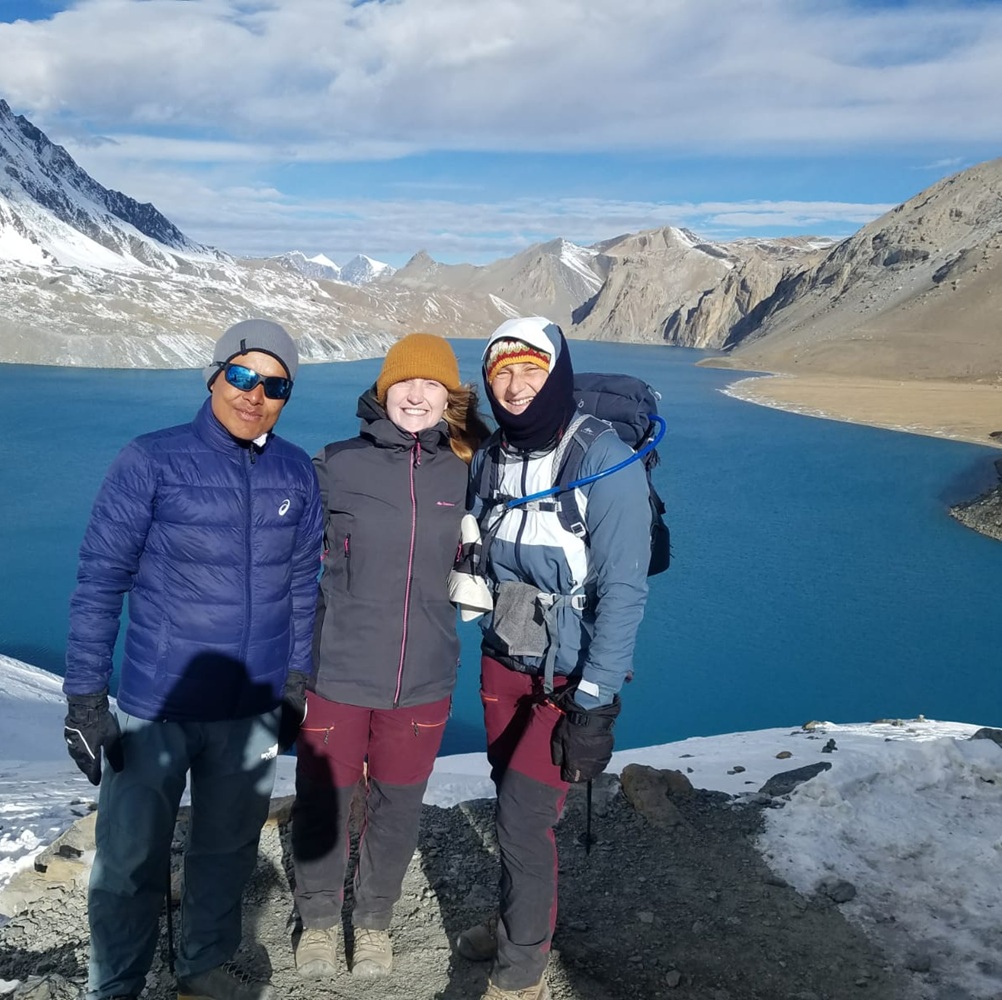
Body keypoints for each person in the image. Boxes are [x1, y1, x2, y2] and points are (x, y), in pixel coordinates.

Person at [62, 319, 323, 1000]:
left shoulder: (296, 470)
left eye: (275, 384)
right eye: (242, 375)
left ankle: (202, 966)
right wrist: (85, 700)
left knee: (228, 848)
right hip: (159, 704)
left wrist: (297, 680)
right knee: (128, 859)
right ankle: (115, 984)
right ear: (214, 374)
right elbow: (99, 581)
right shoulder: (151, 460)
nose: (254, 393)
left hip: (252, 707)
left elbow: (302, 586)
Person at [456, 317, 651, 1000]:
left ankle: (521, 977)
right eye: (501, 371)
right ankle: (517, 920)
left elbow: (624, 592)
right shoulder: (493, 456)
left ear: (557, 372)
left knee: (522, 819)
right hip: (501, 660)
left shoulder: (603, 459)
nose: (514, 385)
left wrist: (594, 705)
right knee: (508, 796)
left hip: (564, 682)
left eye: (531, 368)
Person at [290, 333, 490, 981]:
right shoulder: (337, 464)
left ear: (449, 399)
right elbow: (281, 554)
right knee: (324, 798)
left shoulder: (468, 471)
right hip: (339, 671)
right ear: (384, 390)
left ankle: (373, 919)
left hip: (426, 675)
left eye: (431, 385)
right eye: (405, 382)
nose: (416, 394)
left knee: (398, 805)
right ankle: (319, 919)